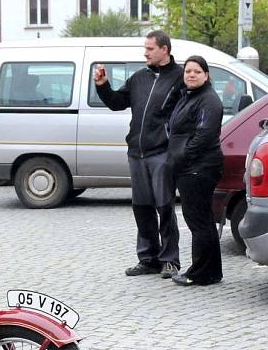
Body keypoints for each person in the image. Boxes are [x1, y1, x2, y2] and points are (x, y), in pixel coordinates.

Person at [94, 30, 183, 279]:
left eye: (150, 49)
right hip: (137, 153)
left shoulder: (179, 77)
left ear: (164, 50)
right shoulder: (139, 78)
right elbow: (116, 102)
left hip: (162, 153)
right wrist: (102, 86)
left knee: (165, 207)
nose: (145, 53)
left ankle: (169, 260)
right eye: (145, 48)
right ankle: (148, 259)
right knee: (141, 208)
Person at [167, 56, 224, 286]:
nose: (191, 75)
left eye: (197, 71)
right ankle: (211, 271)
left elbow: (204, 135)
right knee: (203, 221)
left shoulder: (209, 100)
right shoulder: (189, 96)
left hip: (199, 167)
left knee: (198, 221)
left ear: (206, 75)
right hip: (189, 166)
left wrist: (182, 156)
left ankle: (200, 273)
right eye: (188, 71)